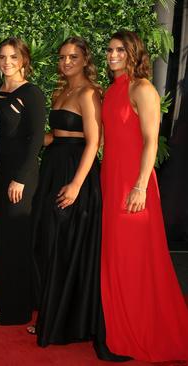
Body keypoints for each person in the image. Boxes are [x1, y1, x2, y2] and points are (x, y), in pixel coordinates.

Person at [100, 30, 188, 362]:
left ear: (134, 53)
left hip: (133, 186)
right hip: (111, 181)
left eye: (120, 50)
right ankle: (118, 326)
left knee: (134, 260)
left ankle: (138, 328)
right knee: (115, 258)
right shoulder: (111, 91)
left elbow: (151, 141)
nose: (112, 55)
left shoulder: (143, 89)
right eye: (109, 50)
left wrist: (140, 186)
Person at [29, 37, 108, 350]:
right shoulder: (59, 91)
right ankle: (50, 313)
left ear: (85, 59)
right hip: (53, 166)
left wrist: (76, 185)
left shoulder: (90, 93)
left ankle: (63, 322)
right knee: (47, 242)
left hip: (77, 171)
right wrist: (32, 139)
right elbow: (56, 134)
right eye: (62, 57)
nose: (65, 63)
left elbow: (93, 142)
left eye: (72, 57)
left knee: (66, 243)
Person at [0, 37, 46, 325]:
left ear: (24, 60)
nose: (7, 62)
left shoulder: (32, 93)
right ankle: (4, 297)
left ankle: (17, 310)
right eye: (2, 57)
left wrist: (20, 179)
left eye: (13, 57)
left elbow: (36, 140)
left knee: (17, 243)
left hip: (21, 178)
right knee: (2, 240)